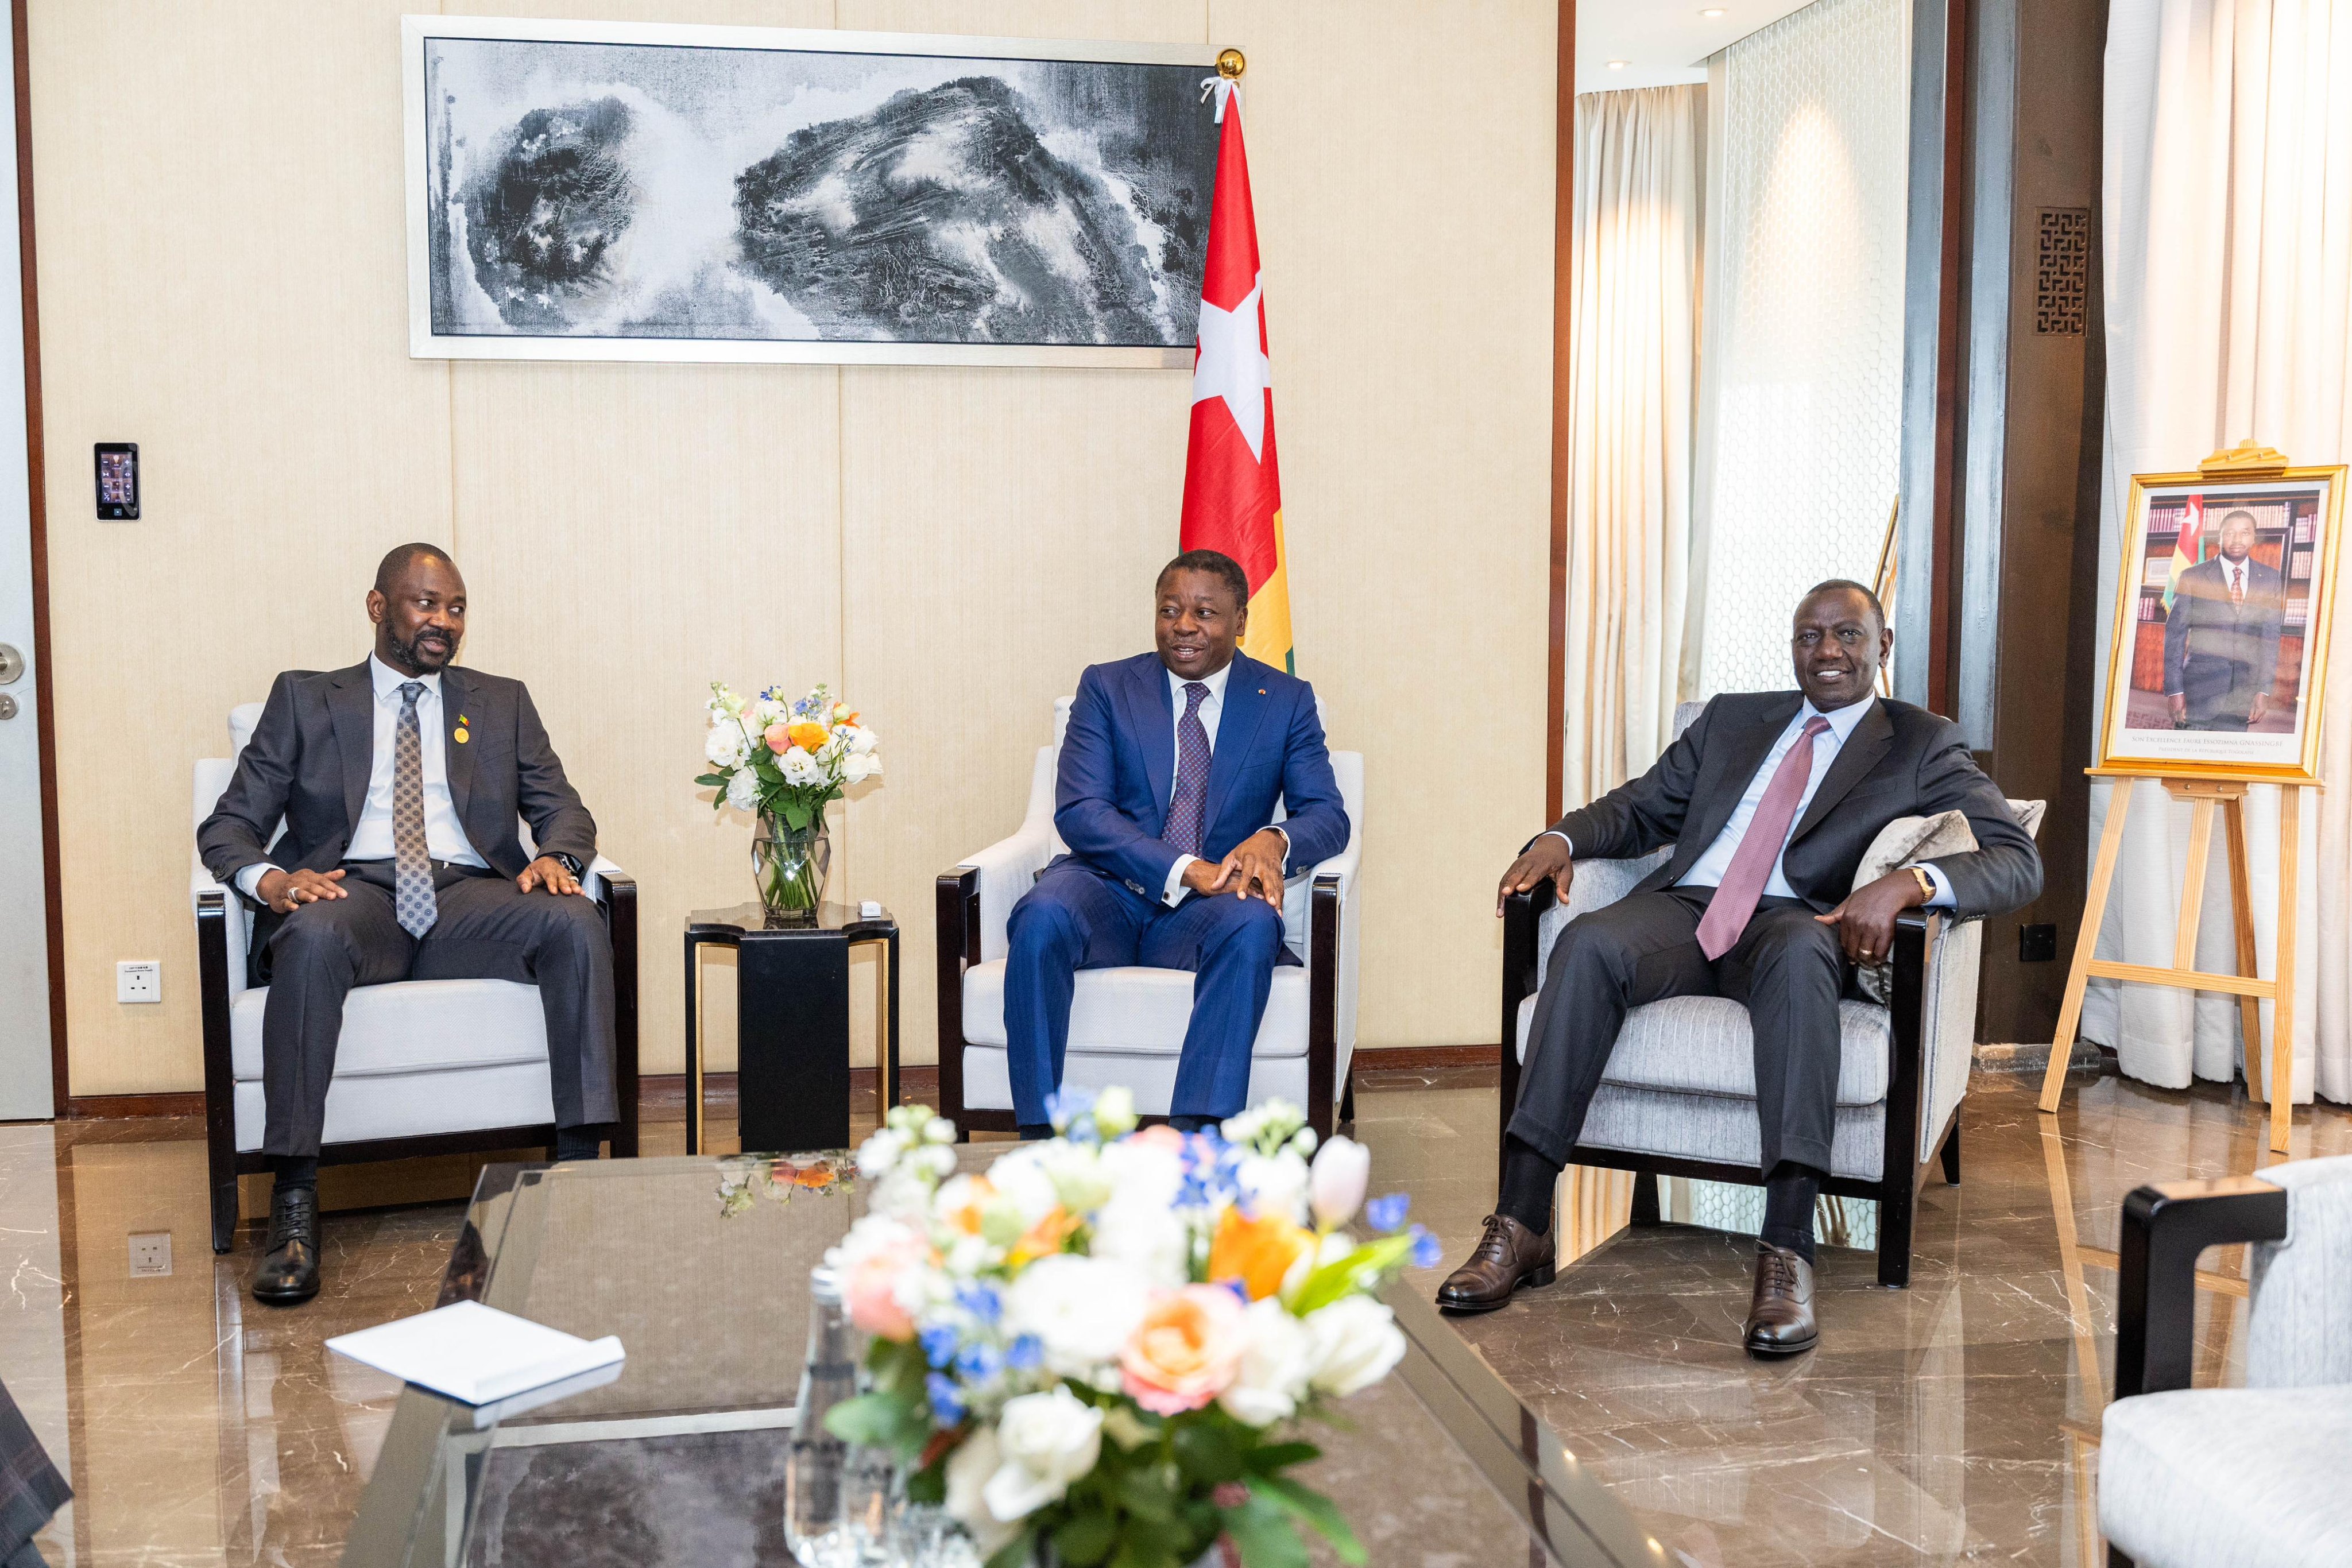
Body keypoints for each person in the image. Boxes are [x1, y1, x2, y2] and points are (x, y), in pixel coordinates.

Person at [1438, 580, 2041, 1357]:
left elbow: (2017, 859)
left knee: (1797, 957)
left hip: (1800, 923)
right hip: (1693, 909)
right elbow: (1645, 805)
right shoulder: (1733, 718)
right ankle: (1520, 1225)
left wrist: (1910, 883)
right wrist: (1562, 837)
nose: (1827, 651)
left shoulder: (1921, 740)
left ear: (1882, 646)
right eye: (1809, 636)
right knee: (1586, 941)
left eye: (1848, 635)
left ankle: (1787, 1249)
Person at [198, 543, 616, 1306]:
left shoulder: (501, 701)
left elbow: (563, 806)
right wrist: (276, 880)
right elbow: (228, 828)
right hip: (356, 892)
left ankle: (581, 1177)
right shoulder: (305, 698)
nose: (444, 621)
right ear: (378, 605)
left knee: (576, 918)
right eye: (427, 603)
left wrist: (557, 853)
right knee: (315, 934)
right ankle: (293, 1206)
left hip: (466, 897)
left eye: (456, 607)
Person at [1001, 549, 1349, 1135]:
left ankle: (1197, 1136)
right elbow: (1081, 812)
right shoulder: (1108, 686)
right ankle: (1039, 1136)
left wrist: (1274, 837)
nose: (1184, 626)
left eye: (1205, 612)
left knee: (1254, 924)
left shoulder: (1285, 700)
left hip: (1205, 913)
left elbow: (1328, 815)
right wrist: (1185, 867)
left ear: (1240, 622)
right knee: (1040, 916)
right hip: (1104, 889)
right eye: (1170, 610)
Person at [2163, 509, 2287, 731]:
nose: (2237, 540)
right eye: (2230, 533)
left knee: (2229, 762)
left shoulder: (2270, 579)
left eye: (2245, 533)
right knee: (2187, 762)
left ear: (2254, 537)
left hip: (2241, 697)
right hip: (2197, 694)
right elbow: (2175, 638)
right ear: (2219, 537)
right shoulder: (2193, 577)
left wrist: (2264, 690)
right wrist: (2174, 691)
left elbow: (2270, 639)